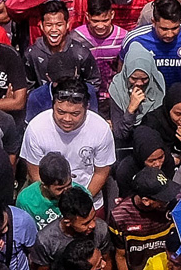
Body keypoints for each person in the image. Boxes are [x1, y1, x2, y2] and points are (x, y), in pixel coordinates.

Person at [21, 78, 115, 212]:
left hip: (88, 201)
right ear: (53, 105)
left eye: (75, 114)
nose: (67, 119)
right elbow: (35, 172)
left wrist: (81, 201)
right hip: (49, 204)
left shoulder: (101, 129)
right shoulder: (36, 128)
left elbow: (101, 172)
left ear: (86, 107)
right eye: (61, 112)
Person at [33, 187, 114, 270]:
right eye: (85, 223)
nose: (93, 225)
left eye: (94, 218)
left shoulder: (101, 229)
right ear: (68, 222)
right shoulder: (46, 240)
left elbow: (106, 261)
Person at [108, 166, 177, 270]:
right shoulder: (120, 216)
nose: (168, 200)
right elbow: (120, 256)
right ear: (146, 201)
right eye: (163, 198)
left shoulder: (173, 206)